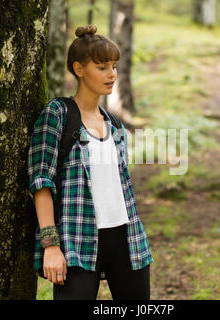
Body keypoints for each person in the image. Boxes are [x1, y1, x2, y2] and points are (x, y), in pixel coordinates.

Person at [28, 24, 153, 300]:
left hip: (127, 239)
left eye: (113, 66)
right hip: (78, 239)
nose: (111, 74)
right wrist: (50, 245)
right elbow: (41, 183)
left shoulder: (115, 124)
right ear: (79, 68)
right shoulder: (57, 114)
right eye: (102, 67)